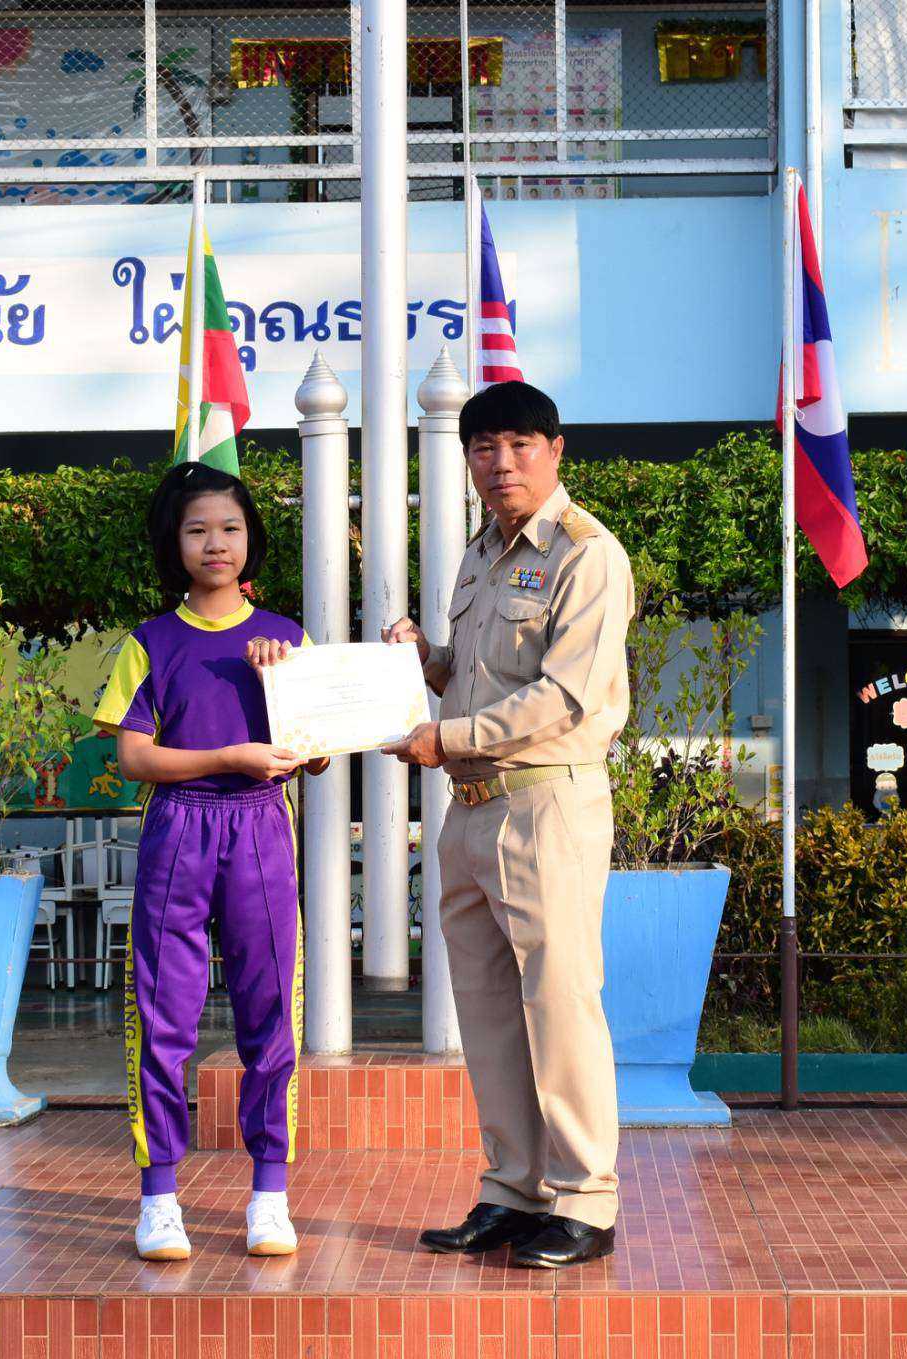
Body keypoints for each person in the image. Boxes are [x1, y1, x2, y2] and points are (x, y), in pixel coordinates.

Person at [383, 381, 635, 1270]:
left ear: (555, 451)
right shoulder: (480, 554)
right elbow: (476, 677)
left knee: (560, 1005)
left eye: (520, 445)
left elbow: (564, 696)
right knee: (487, 1013)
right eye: (483, 448)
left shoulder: (587, 554)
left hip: (545, 804)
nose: (501, 464)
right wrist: (425, 661)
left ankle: (585, 1200)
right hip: (470, 811)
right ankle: (513, 1189)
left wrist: (442, 738)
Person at [93, 461, 328, 1263]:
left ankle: (270, 1195)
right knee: (164, 1014)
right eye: (197, 530)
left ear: (250, 538)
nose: (215, 544)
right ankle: (159, 1199)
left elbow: (316, 753)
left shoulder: (288, 640)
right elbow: (134, 758)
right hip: (178, 832)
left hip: (262, 828)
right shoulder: (150, 643)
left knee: (271, 1011)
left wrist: (280, 687)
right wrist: (226, 755)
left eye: (230, 528)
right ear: (176, 544)